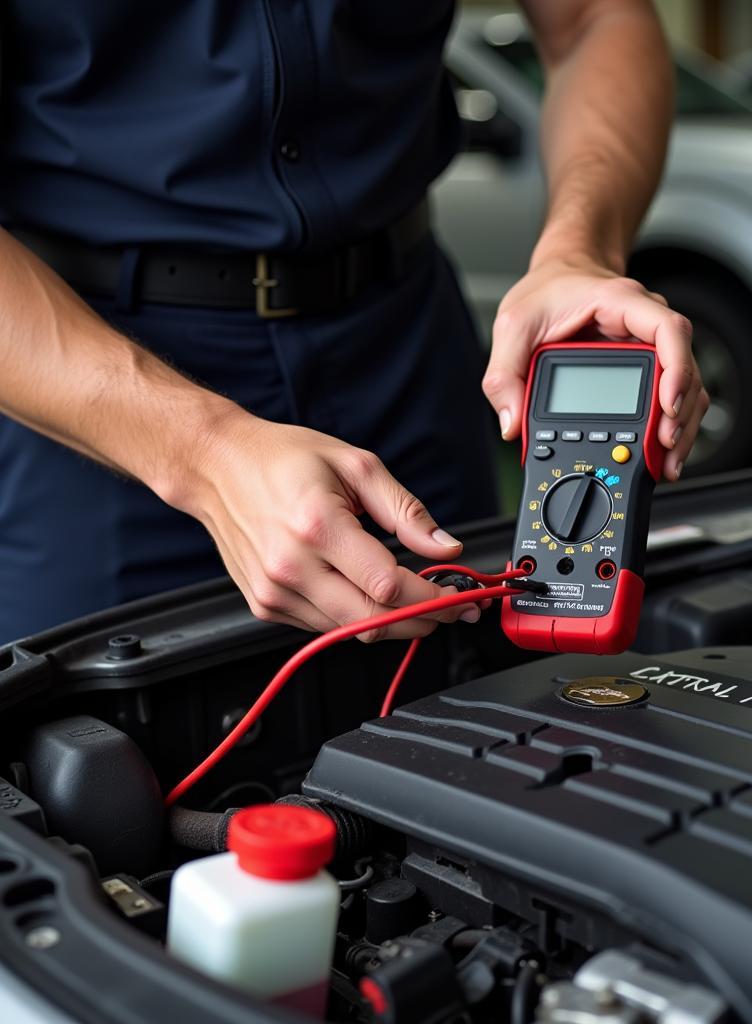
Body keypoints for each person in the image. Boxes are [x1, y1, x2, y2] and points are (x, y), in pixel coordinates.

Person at [0, 0, 707, 644]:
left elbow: (593, 19)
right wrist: (202, 452)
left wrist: (578, 249)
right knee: (104, 766)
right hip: (94, 398)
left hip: (406, 351)